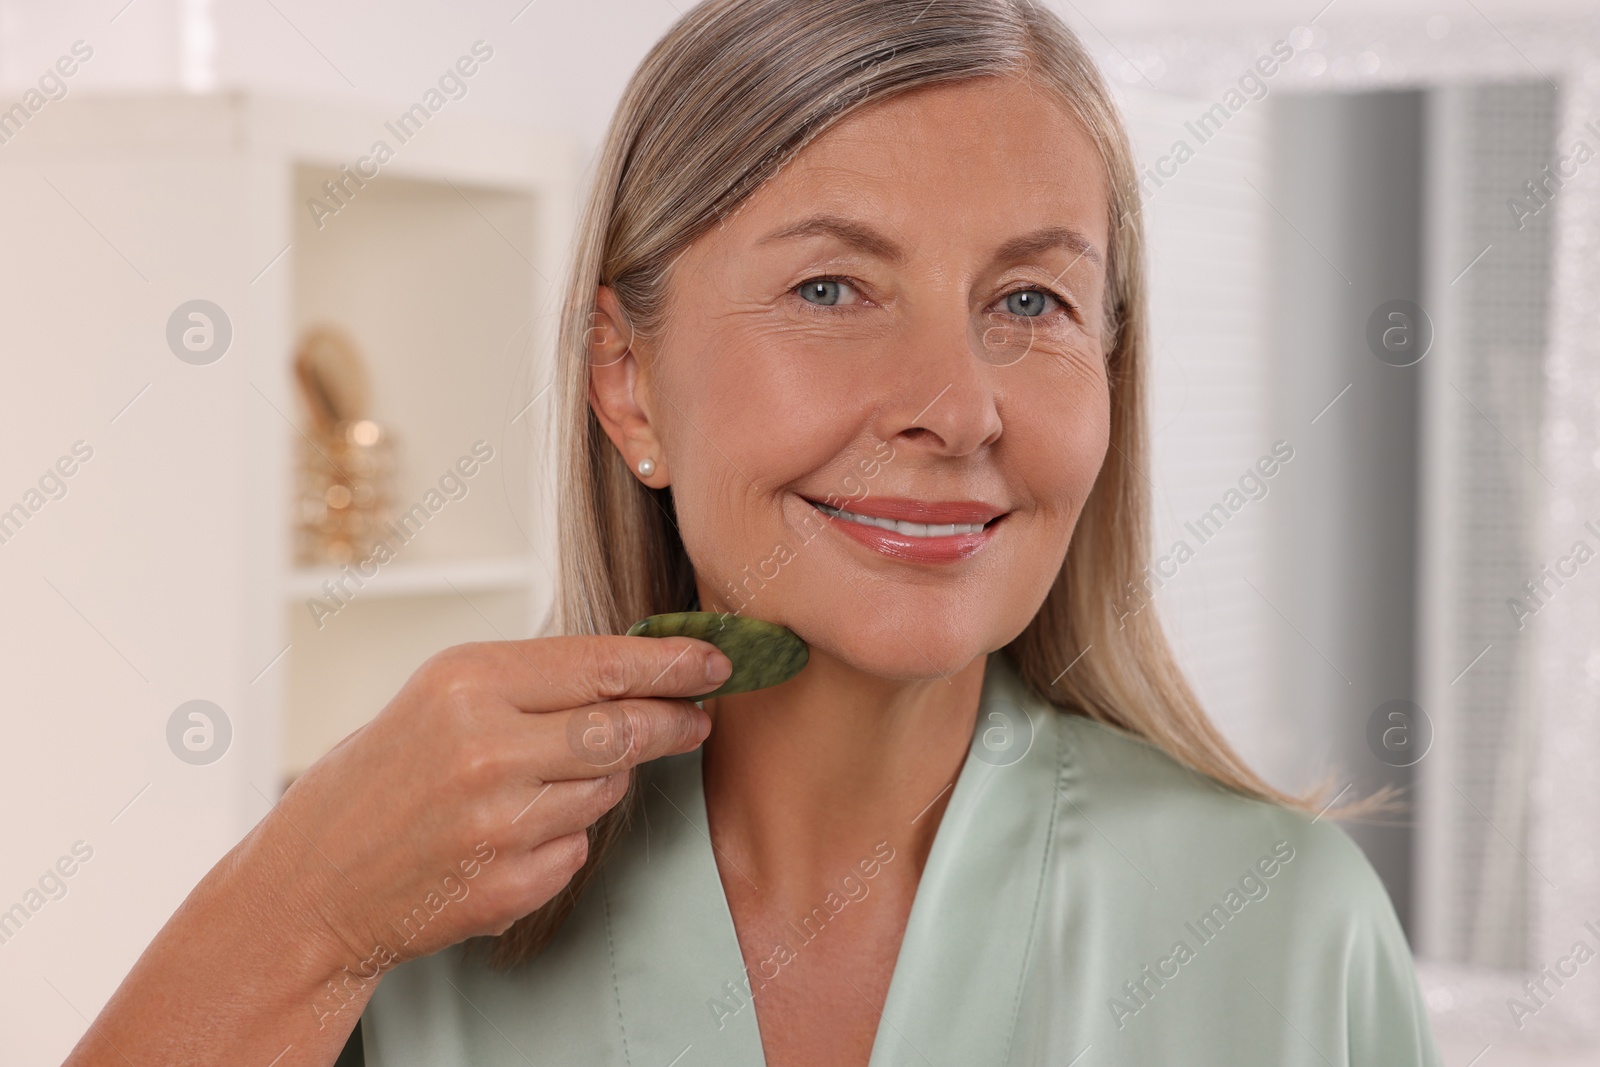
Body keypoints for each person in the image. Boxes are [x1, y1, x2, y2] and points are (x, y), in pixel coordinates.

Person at [64, 1, 1443, 1064]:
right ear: (627, 378)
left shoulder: (1281, 925)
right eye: (834, 287)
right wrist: (301, 912)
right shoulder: (406, 902)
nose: (957, 408)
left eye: (1030, 303)